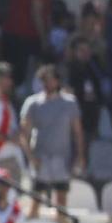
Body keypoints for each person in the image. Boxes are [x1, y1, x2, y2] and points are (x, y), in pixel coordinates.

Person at [19, 63, 84, 209]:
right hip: (40, 159)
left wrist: (80, 156)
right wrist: (31, 158)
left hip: (62, 160)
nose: (47, 83)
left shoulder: (70, 103)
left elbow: (77, 133)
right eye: (44, 80)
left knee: (61, 203)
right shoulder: (32, 103)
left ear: (57, 80)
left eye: (50, 79)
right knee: (35, 201)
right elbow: (23, 134)